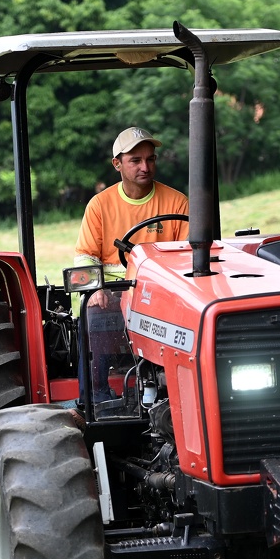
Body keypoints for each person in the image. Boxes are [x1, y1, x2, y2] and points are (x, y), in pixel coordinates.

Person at [75, 128, 189, 405]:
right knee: (92, 311)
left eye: (150, 159)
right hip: (112, 291)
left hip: (159, 290)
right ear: (118, 164)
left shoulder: (177, 201)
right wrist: (97, 289)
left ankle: (171, 391)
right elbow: (85, 255)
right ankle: (96, 398)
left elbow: (186, 256)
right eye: (136, 160)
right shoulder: (99, 205)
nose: (145, 167)